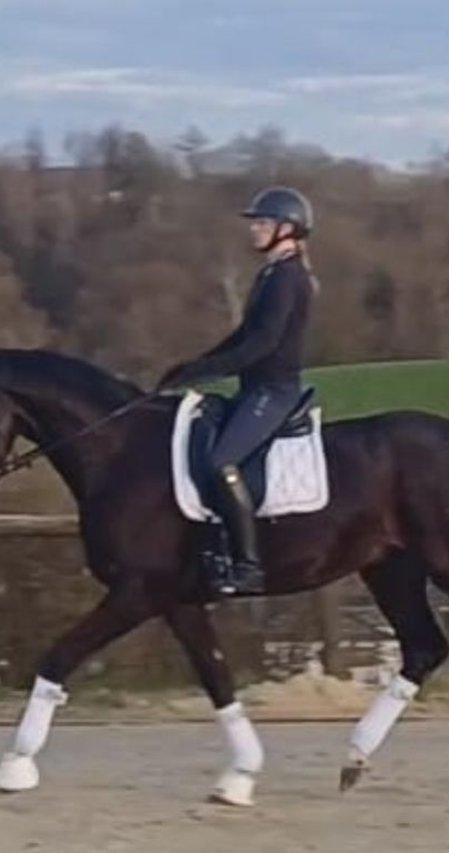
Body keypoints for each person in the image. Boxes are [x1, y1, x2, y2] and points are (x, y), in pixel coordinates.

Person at [156, 186, 318, 595]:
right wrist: (193, 367)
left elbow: (262, 344)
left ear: (286, 228)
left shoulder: (287, 277)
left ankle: (248, 565)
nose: (254, 230)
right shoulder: (270, 273)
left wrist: (210, 370)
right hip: (255, 388)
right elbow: (243, 335)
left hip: (274, 392)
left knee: (221, 461)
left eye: (262, 223)